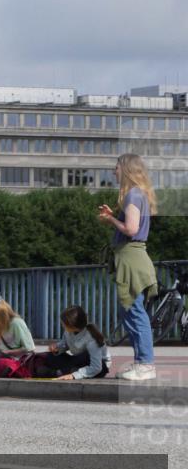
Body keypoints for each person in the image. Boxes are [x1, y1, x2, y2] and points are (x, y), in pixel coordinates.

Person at [99, 153, 158, 381]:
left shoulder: (132, 195)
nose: (114, 171)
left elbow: (131, 229)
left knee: (135, 313)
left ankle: (145, 365)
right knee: (131, 312)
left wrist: (111, 220)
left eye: (116, 167)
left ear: (126, 169)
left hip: (131, 259)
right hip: (134, 258)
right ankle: (141, 363)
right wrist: (114, 216)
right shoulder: (138, 195)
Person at [38, 306, 111, 380]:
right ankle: (65, 371)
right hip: (77, 361)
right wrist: (57, 348)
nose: (62, 325)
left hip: (99, 367)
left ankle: (61, 372)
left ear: (72, 325)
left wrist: (74, 376)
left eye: (63, 323)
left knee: (84, 356)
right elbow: (65, 344)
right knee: (50, 356)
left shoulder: (91, 339)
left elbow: (96, 367)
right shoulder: (69, 331)